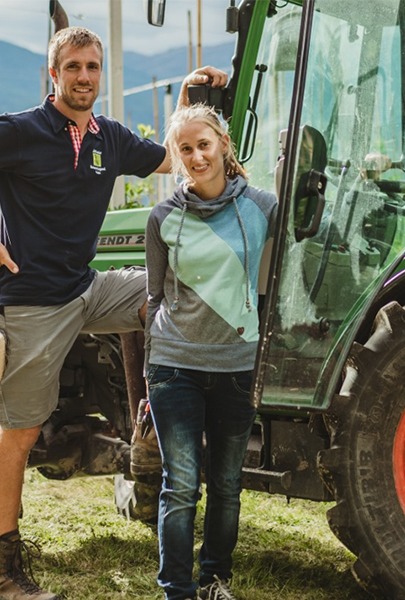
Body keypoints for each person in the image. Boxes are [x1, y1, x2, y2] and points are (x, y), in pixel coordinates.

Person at [0, 26, 227, 600]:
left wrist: (188, 100)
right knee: (18, 432)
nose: (84, 77)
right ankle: (0, 574)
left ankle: (152, 418)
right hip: (32, 300)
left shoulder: (109, 137)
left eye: (92, 67)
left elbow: (171, 159)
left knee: (166, 291)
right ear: (53, 73)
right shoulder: (20, 130)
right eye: (73, 67)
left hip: (87, 287)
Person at [144, 104, 277, 600]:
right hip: (174, 366)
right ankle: (177, 592)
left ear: (223, 143)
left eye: (204, 144)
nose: (197, 156)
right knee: (180, 485)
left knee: (226, 484)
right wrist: (148, 373)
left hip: (237, 366)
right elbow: (154, 298)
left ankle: (214, 581)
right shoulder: (163, 218)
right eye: (186, 149)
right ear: (176, 157)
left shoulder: (262, 208)